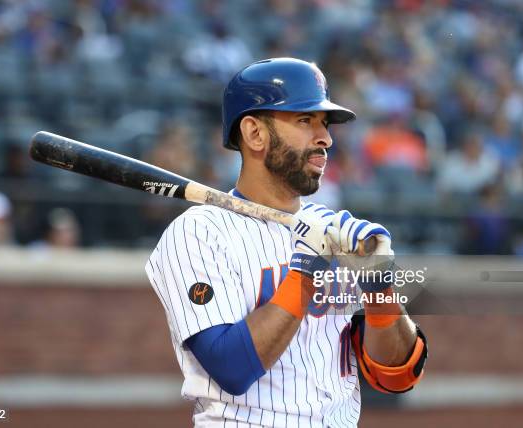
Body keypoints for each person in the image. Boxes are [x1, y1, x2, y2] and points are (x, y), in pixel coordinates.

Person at [145, 58, 427, 427]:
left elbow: (395, 377)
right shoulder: (199, 232)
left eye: (324, 124)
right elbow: (231, 367)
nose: (325, 138)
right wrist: (306, 271)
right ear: (254, 133)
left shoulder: (332, 229)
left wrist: (379, 287)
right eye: (305, 120)